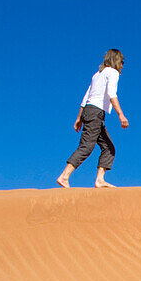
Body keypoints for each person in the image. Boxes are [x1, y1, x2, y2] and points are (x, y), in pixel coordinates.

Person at [56, 49, 129, 188]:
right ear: (116, 60)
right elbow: (111, 93)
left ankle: (100, 180)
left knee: (108, 148)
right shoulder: (112, 73)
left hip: (90, 112)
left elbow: (86, 96)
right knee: (87, 146)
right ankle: (64, 176)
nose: (123, 66)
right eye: (122, 62)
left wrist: (79, 117)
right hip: (95, 113)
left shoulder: (97, 74)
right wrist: (121, 114)